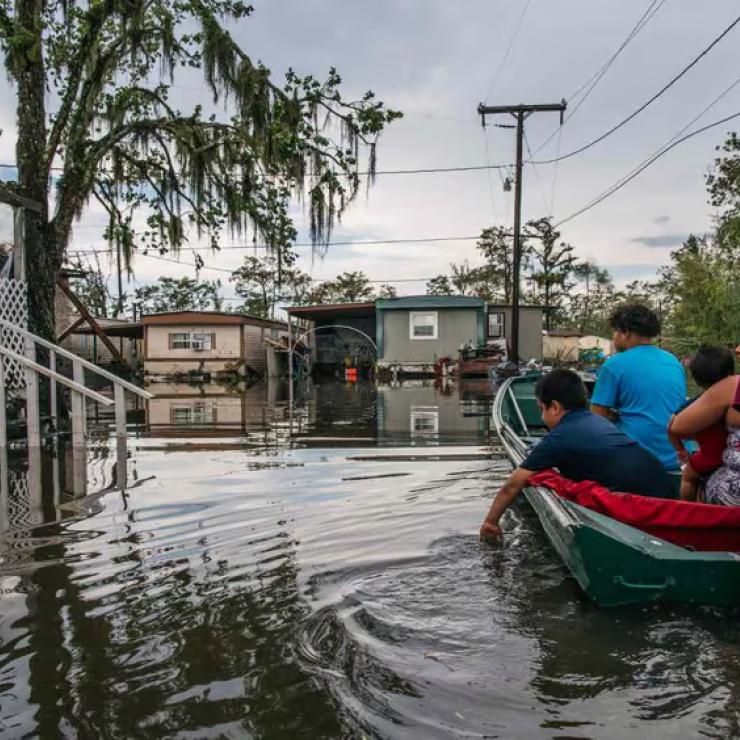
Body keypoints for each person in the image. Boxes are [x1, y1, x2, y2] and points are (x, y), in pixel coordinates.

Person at [480, 369, 674, 539]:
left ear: (554, 407)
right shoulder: (600, 422)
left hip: (637, 508)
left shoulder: (558, 438)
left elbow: (513, 484)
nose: (541, 417)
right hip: (665, 493)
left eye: (541, 409)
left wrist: (491, 522)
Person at [590, 303, 686, 471]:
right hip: (679, 456)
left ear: (625, 332)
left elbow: (596, 418)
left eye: (616, 331)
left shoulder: (614, 364)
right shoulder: (673, 361)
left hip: (638, 459)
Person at [671, 351, 740, 506]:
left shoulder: (722, 391)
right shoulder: (732, 387)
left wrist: (679, 448)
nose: (737, 349)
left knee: (688, 476)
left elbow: (674, 426)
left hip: (713, 456)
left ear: (697, 380)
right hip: (724, 458)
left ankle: (688, 510)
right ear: (729, 372)